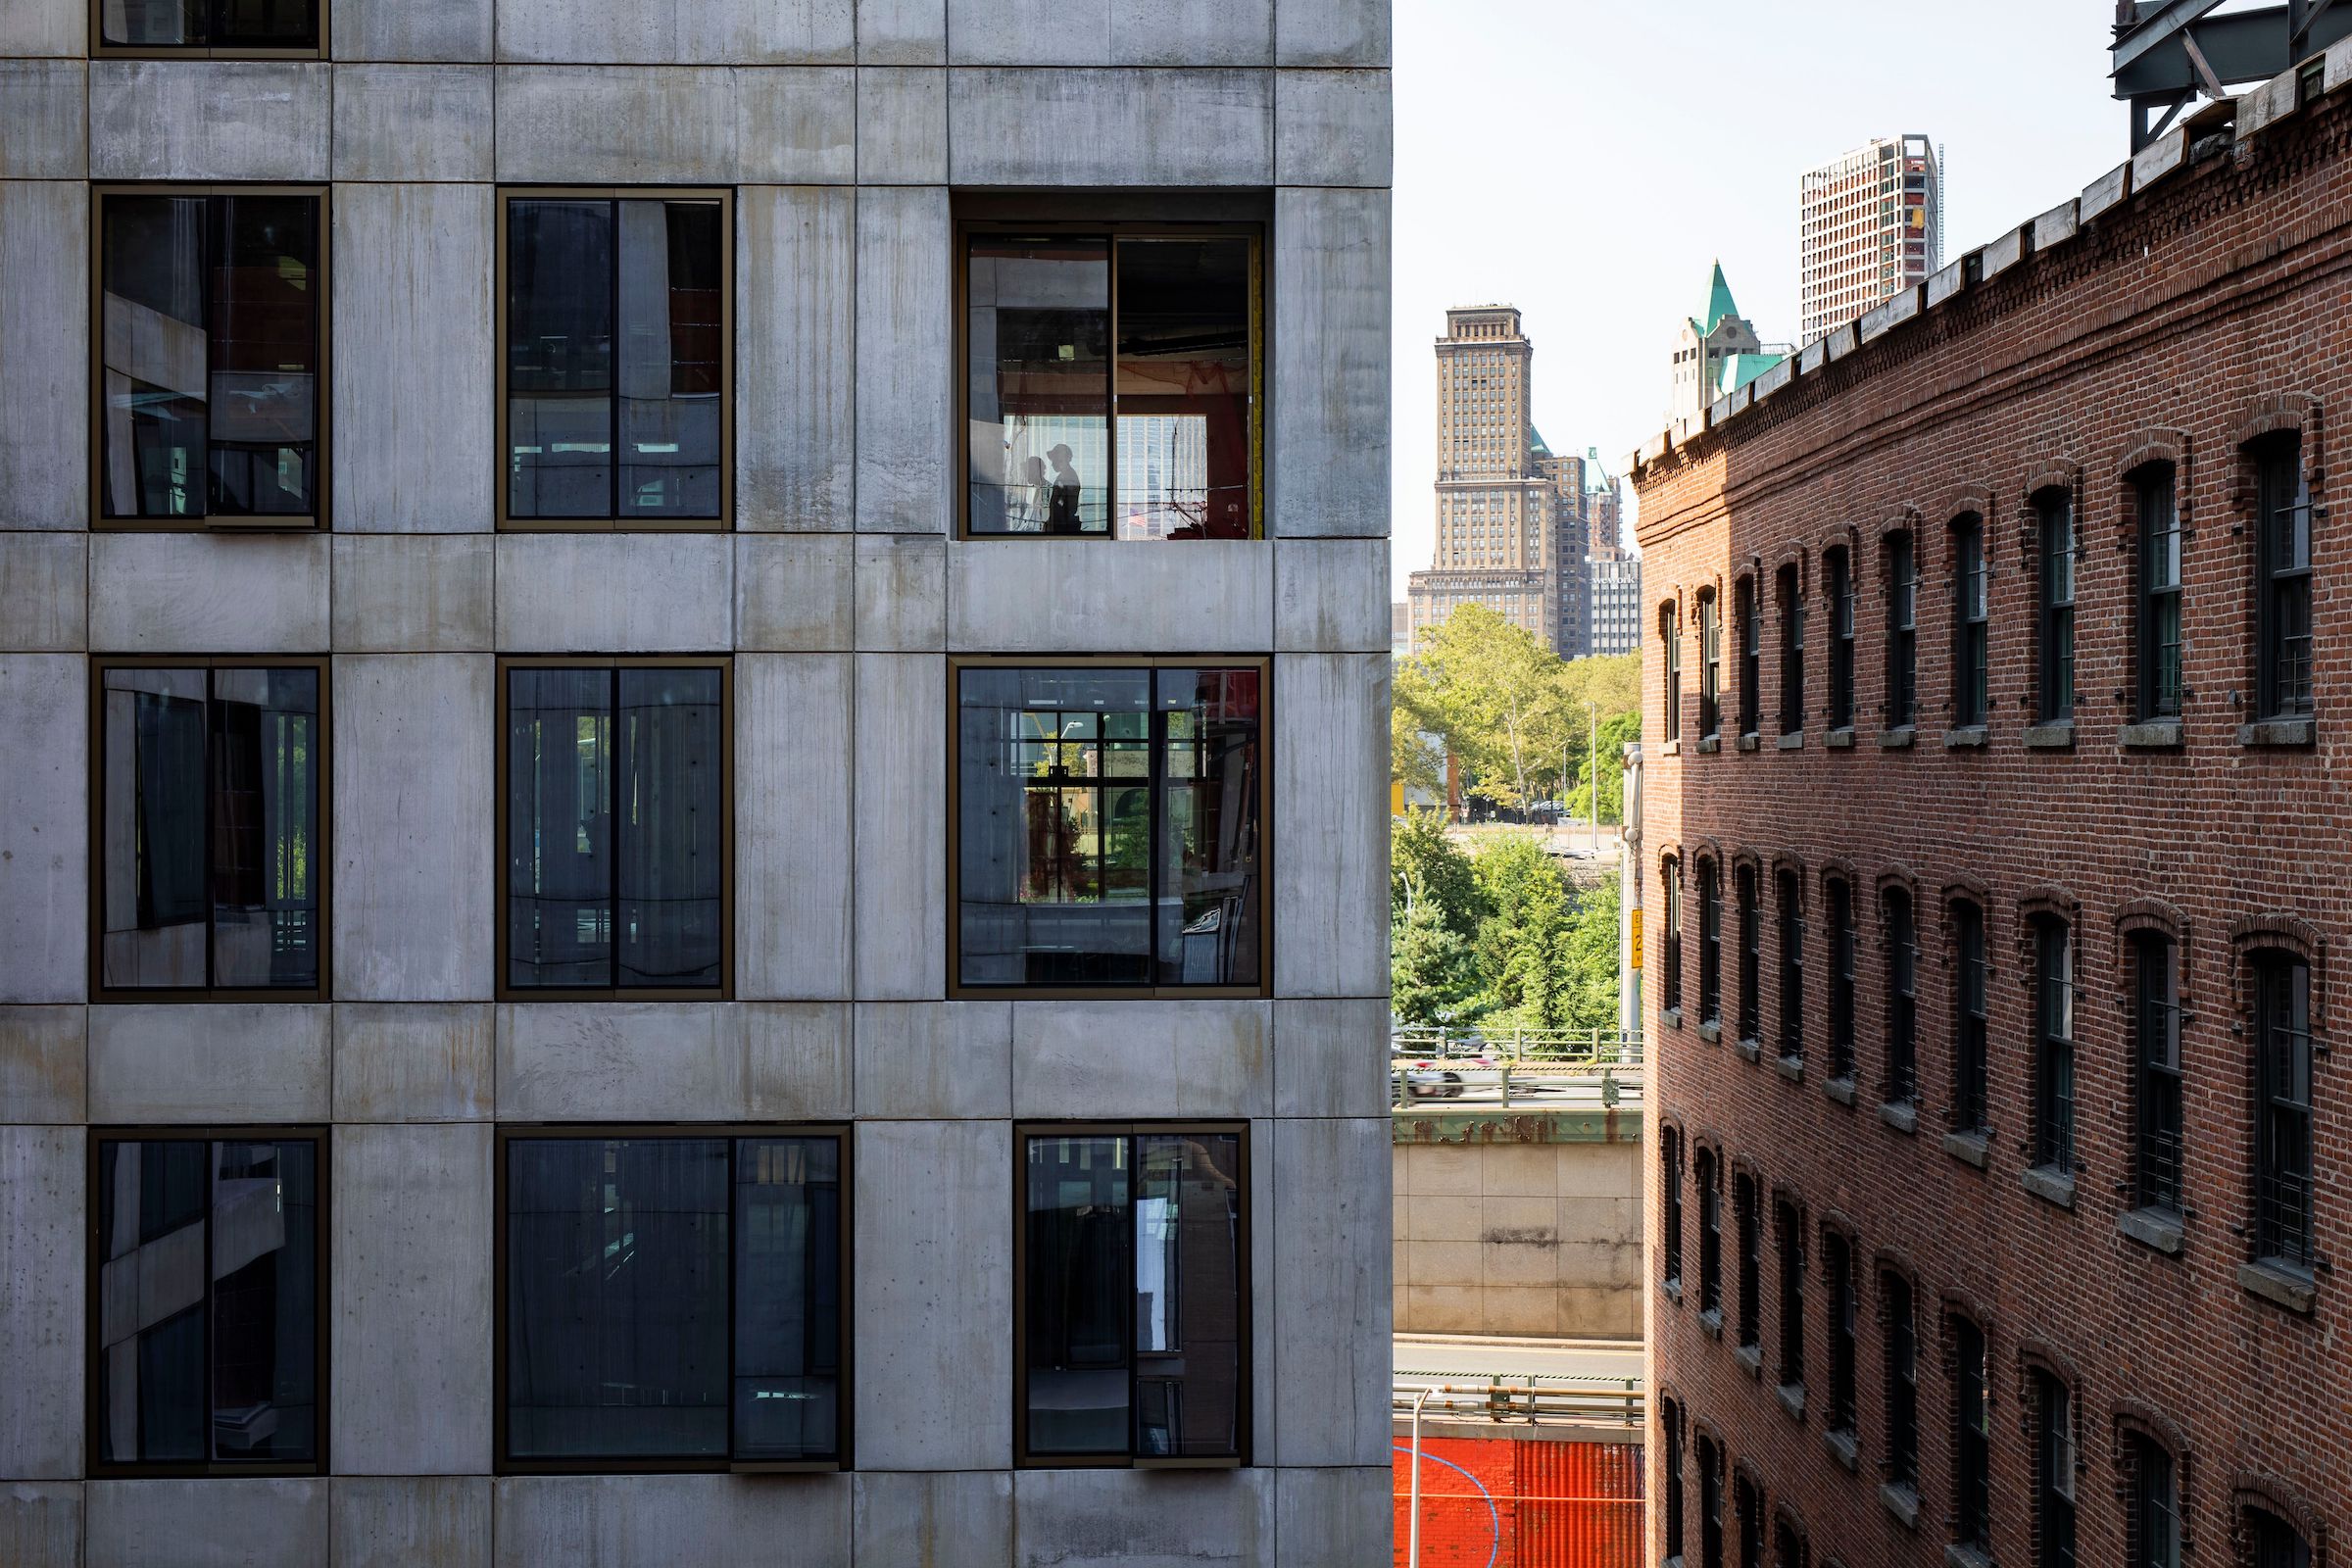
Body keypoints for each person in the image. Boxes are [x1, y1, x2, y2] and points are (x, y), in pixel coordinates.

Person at [1046, 444, 1084, 534]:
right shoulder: (1063, 477)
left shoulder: (1069, 478)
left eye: (1055, 460)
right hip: (1058, 525)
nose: (1052, 463)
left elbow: (1067, 504)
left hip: (1063, 527)